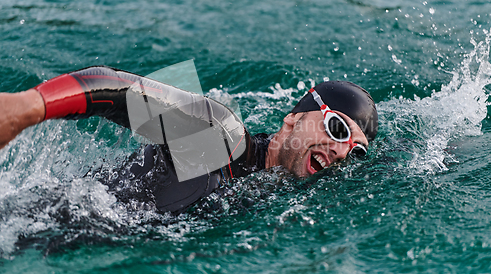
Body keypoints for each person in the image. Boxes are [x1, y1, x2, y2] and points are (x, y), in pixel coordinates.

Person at [0, 66, 378, 213]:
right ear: (294, 118)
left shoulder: (281, 198)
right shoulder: (219, 137)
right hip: (37, 224)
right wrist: (25, 109)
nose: (341, 151)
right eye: (338, 129)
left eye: (355, 150)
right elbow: (113, 86)